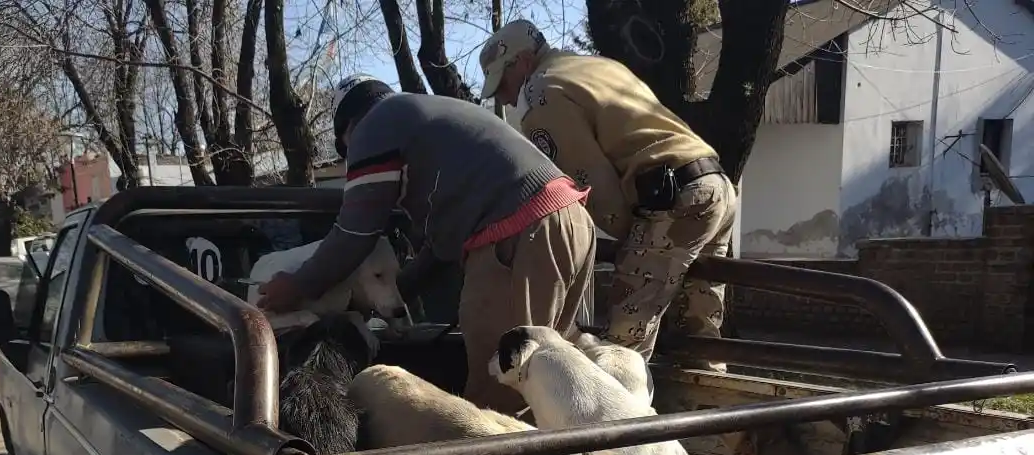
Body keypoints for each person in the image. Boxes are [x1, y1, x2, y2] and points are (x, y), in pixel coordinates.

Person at [254, 73, 598, 414]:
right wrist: (394, 297)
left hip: (521, 232)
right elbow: (439, 252)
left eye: (348, 154)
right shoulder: (432, 120)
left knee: (497, 397)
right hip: (571, 219)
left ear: (349, 129)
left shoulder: (375, 127)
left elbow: (355, 233)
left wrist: (298, 285)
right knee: (556, 382)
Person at [480, 19, 737, 370]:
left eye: (502, 83)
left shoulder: (541, 96)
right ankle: (716, 417)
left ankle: (620, 423)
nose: (504, 96)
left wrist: (628, 244)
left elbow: (591, 184)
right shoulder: (593, 67)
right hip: (714, 186)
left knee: (620, 351)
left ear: (522, 62)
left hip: (673, 201)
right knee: (697, 331)